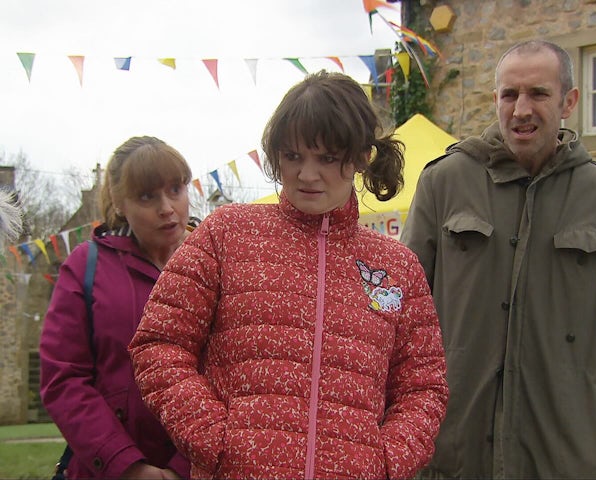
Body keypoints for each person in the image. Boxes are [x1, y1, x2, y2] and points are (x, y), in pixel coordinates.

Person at [129, 70, 449, 480]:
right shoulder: (226, 234)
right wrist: (217, 441)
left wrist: (383, 462)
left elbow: (423, 386)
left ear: (360, 157)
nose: (306, 174)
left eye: (327, 157)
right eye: (292, 156)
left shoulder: (398, 267)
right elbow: (159, 344)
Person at [401, 39, 596, 479]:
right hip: (452, 449)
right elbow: (402, 311)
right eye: (509, 95)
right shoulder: (443, 184)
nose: (521, 109)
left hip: (565, 457)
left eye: (538, 94)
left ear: (568, 101)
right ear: (495, 100)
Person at [40, 136, 195, 479]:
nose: (167, 207)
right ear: (120, 204)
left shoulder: (214, 264)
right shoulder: (86, 266)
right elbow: (63, 377)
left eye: (175, 189)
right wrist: (126, 466)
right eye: (147, 196)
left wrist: (183, 469)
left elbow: (231, 374)